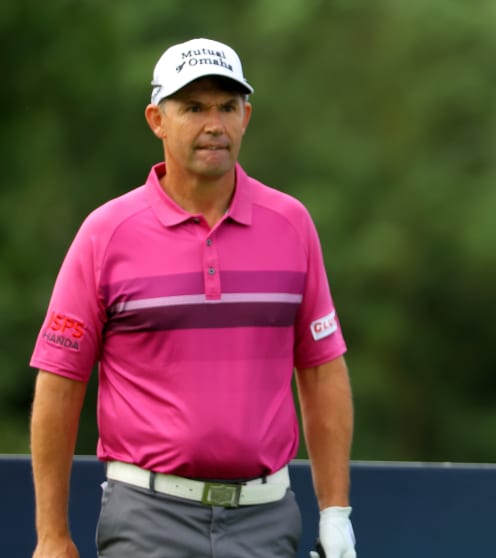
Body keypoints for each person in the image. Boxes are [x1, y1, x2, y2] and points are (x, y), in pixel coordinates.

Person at [29, 38, 356, 558]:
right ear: (157, 119)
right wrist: (51, 535)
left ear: (246, 116)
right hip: (146, 516)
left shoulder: (291, 224)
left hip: (265, 519)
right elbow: (61, 381)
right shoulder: (106, 232)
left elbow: (321, 369)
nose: (215, 124)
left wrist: (336, 513)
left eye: (227, 107)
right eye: (194, 108)